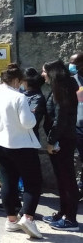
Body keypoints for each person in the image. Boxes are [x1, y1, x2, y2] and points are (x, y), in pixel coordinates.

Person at [0, 63, 43, 238]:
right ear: (16, 80)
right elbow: (28, 123)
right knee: (33, 182)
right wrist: (32, 115)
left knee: (8, 181)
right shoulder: (19, 97)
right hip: (21, 144)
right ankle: (28, 217)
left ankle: (11, 220)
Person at [41, 60, 80, 231]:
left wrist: (51, 141)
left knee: (67, 180)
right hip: (61, 140)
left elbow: (60, 119)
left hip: (62, 141)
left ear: (52, 73)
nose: (43, 75)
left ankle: (70, 219)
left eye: (44, 72)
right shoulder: (61, 87)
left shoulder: (63, 89)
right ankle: (62, 213)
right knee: (62, 180)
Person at [68, 53, 83, 201]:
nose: (71, 65)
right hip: (77, 128)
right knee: (77, 159)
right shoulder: (71, 81)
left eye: (74, 63)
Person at [23, 68, 47, 142]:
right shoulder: (22, 94)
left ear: (26, 82)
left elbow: (31, 115)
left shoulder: (37, 98)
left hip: (30, 136)